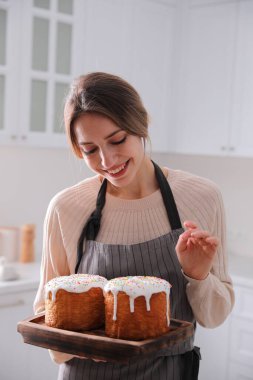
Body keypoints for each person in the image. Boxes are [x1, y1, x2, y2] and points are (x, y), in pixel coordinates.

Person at [34, 72, 234, 380]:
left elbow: (215, 317)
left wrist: (198, 276)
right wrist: (90, 345)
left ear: (140, 126)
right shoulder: (66, 208)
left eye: (117, 140)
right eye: (90, 149)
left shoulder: (202, 197)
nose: (107, 159)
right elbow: (49, 324)